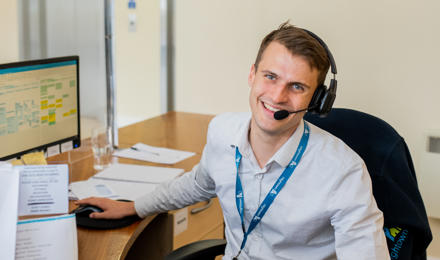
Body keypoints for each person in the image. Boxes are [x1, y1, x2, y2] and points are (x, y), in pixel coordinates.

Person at [76, 22, 390, 259]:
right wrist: (133, 207)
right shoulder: (222, 131)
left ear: (318, 100)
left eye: (296, 87)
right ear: (252, 75)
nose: (277, 97)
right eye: (270, 77)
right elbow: (198, 184)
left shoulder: (342, 171)